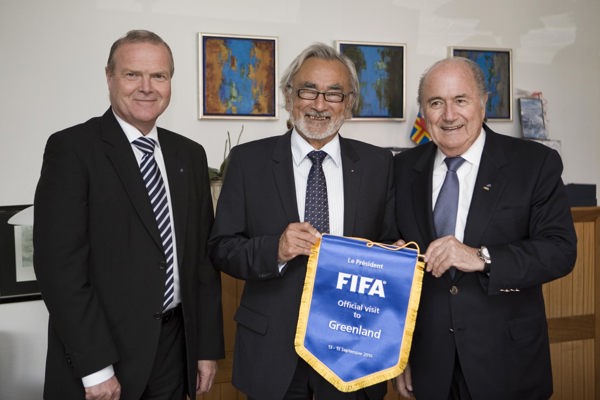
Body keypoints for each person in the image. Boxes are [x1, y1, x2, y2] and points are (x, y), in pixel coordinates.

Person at [33, 30, 224, 400]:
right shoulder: (72, 150)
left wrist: (205, 348)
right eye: (132, 74)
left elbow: (202, 263)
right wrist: (95, 368)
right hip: (104, 356)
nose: (146, 87)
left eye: (159, 76)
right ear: (110, 77)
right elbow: (60, 270)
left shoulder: (189, 155)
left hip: (174, 350)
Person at [208, 43, 396, 400]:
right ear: (288, 95)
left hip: (353, 353)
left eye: (334, 93)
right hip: (272, 354)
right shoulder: (248, 162)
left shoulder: (378, 164)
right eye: (308, 90)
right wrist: (275, 250)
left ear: (349, 102)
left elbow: (390, 243)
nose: (320, 104)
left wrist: (393, 256)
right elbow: (221, 248)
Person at [392, 56, 577, 399]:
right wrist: (400, 353)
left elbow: (559, 251)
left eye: (460, 100)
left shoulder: (533, 163)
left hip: (507, 363)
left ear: (483, 102)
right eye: (436, 103)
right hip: (430, 365)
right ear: (423, 111)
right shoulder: (402, 169)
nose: (449, 115)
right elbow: (392, 260)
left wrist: (480, 257)